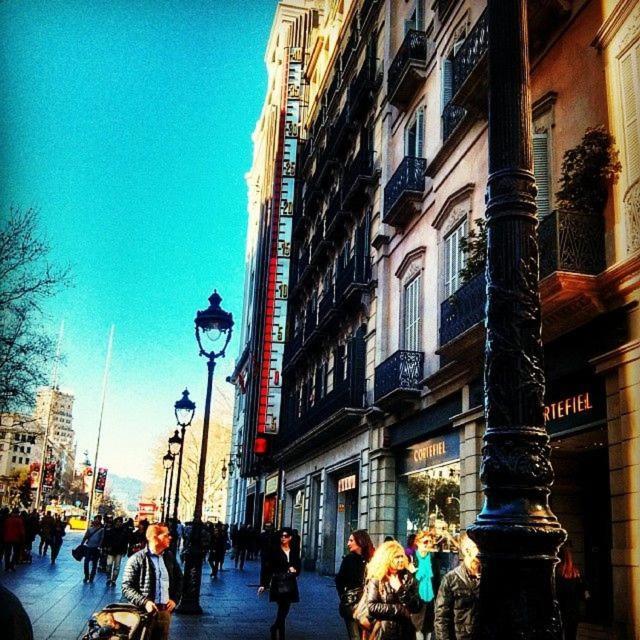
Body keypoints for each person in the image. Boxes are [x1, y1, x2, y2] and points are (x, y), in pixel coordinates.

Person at [122, 523, 183, 640]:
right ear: (155, 537)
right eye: (166, 535)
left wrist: (175, 599)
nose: (170, 537)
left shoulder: (169, 557)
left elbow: (179, 579)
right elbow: (126, 587)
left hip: (165, 613)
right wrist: (145, 602)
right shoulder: (136, 559)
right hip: (144, 613)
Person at [364, 540, 422, 639]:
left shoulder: (408, 577)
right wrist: (400, 610)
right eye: (396, 557)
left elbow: (416, 605)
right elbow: (372, 607)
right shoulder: (377, 578)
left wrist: (400, 589)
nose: (401, 560)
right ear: (387, 558)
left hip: (406, 632)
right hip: (384, 632)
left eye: (401, 556)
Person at [433, 533, 480, 640]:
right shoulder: (450, 579)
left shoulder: (489, 576)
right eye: (478, 547)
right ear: (467, 551)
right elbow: (441, 618)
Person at [258, 527, 301, 640]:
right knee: (282, 608)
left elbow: (298, 565)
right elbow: (268, 568)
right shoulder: (275, 550)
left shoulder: (294, 550)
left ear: (290, 538)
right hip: (279, 582)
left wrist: (295, 570)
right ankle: (280, 634)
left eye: (286, 536)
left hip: (290, 583)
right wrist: (263, 584)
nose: (283, 538)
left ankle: (276, 628)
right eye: (282, 536)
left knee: (284, 609)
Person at [336, 529, 375, 640]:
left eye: (351, 540)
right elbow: (339, 580)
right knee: (355, 636)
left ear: (360, 542)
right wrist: (344, 596)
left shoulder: (371, 559)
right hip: (352, 604)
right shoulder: (348, 559)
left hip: (368, 604)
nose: (348, 543)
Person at [555, 543, 589, 640]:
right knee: (571, 635)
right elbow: (584, 594)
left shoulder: (556, 574)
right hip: (573, 611)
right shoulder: (575, 573)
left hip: (561, 611)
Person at [413, 531, 436, 640]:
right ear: (417, 542)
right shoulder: (412, 558)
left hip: (430, 598)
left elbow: (437, 580)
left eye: (430, 542)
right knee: (418, 628)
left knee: (429, 628)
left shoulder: (433, 558)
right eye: (425, 541)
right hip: (417, 599)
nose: (428, 544)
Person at [105, 517, 130, 586]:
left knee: (117, 566)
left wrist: (125, 550)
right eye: (118, 521)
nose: (119, 523)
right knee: (108, 565)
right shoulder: (111, 530)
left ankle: (113, 580)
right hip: (111, 550)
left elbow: (126, 542)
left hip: (119, 551)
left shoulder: (124, 531)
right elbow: (107, 539)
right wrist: (106, 547)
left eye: (120, 522)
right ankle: (108, 578)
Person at [82, 516, 104, 583]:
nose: (96, 521)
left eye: (98, 520)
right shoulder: (90, 529)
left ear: (100, 521)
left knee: (95, 564)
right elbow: (85, 537)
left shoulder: (102, 529)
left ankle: (91, 577)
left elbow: (101, 539)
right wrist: (81, 544)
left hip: (96, 548)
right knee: (86, 562)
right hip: (89, 547)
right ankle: (86, 576)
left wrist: (99, 547)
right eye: (95, 520)